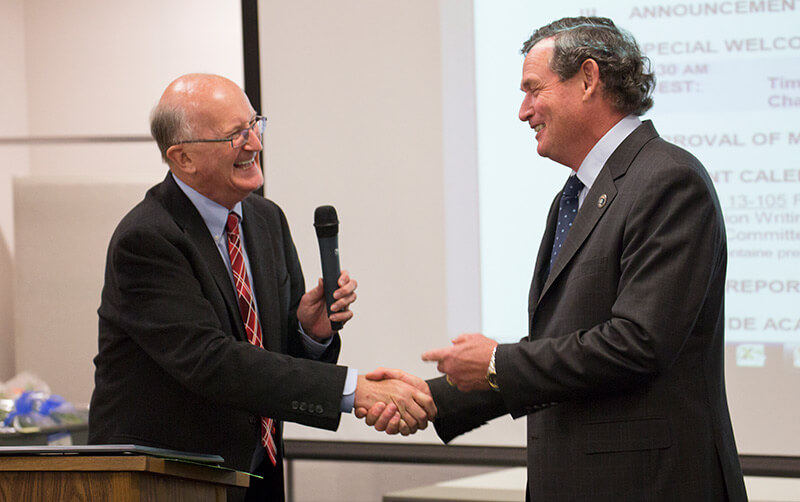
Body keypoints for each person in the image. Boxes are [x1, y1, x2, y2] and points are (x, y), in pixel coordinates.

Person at [360, 17, 748, 501]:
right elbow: (563, 346)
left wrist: (499, 361)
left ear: (588, 79)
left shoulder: (667, 179)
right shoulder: (575, 196)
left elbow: (638, 343)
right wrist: (434, 397)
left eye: (532, 90)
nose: (523, 111)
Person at [88, 73, 435, 502]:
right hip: (169, 483)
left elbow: (272, 359)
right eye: (235, 135)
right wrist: (352, 389)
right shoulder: (147, 240)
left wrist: (310, 332)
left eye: (254, 124)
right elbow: (213, 361)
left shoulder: (265, 219)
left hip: (256, 474)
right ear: (183, 158)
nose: (255, 144)